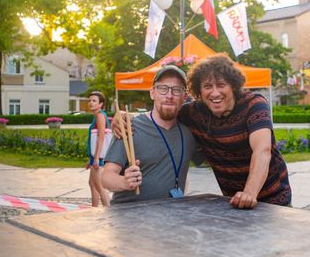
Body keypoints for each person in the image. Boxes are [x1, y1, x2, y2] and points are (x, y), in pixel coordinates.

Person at [178, 55, 292, 209]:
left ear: (233, 85)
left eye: (221, 85)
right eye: (207, 86)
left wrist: (249, 193)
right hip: (234, 201)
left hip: (274, 200)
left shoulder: (254, 104)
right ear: (199, 90)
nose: (215, 93)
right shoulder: (193, 112)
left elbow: (262, 151)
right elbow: (163, 116)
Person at [102, 66, 200, 204]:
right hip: (129, 213)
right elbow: (106, 177)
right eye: (162, 88)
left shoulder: (190, 133)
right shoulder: (129, 127)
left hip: (172, 213)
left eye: (176, 90)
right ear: (152, 93)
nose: (169, 95)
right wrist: (124, 182)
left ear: (184, 97)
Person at [86, 91, 110, 207]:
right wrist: (90, 159)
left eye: (94, 101)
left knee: (99, 186)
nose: (91, 103)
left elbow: (101, 137)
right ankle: (94, 209)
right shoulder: (96, 116)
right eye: (89, 100)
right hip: (94, 156)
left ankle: (109, 210)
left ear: (101, 104)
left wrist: (96, 158)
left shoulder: (100, 116)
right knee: (92, 183)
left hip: (98, 157)